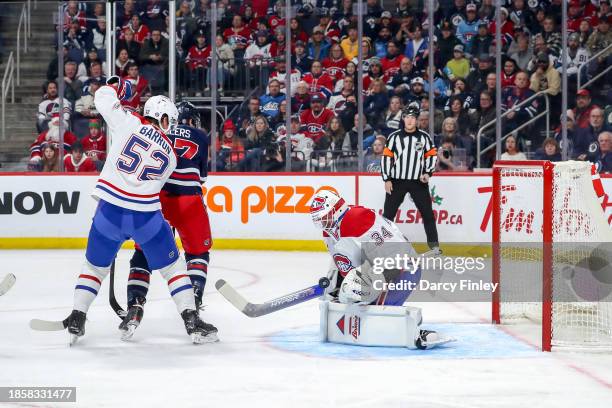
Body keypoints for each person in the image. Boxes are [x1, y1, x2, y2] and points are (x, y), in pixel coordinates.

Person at [65, 76, 217, 344]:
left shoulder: (127, 122)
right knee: (173, 269)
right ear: (165, 119)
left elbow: (101, 97)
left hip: (109, 212)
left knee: (93, 267)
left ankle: (78, 315)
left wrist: (120, 86)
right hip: (146, 216)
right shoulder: (170, 153)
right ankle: (191, 319)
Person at [119, 101, 214, 339]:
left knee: (143, 252)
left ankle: (134, 307)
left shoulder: (157, 132)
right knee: (197, 254)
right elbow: (201, 178)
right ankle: (193, 307)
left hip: (158, 198)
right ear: (192, 120)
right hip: (189, 200)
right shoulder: (201, 136)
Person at [309, 188, 447, 349]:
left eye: (324, 217)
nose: (322, 223)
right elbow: (344, 264)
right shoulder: (329, 232)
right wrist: (337, 286)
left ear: (337, 208)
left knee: (375, 315)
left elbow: (396, 254)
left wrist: (368, 284)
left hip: (402, 270)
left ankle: (417, 331)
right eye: (318, 219)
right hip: (376, 271)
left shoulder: (357, 218)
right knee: (350, 302)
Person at [381, 105, 440, 251]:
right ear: (403, 118)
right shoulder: (394, 137)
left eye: (413, 117)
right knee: (387, 217)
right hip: (396, 181)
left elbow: (431, 155)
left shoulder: (424, 137)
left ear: (417, 120)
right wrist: (387, 179)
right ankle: (382, 246)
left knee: (428, 215)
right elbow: (386, 158)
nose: (409, 120)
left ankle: (434, 248)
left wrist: (428, 173)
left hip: (418, 182)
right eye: (407, 117)